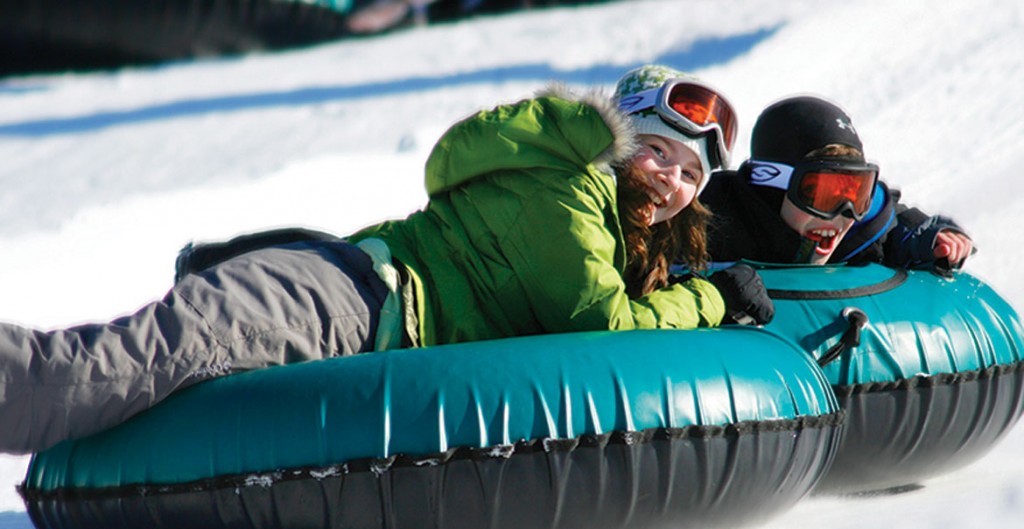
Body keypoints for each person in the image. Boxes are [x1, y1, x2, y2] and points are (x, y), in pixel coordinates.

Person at [0, 64, 773, 455]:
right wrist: (709, 302)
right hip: (341, 300)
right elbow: (599, 326)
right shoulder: (565, 186)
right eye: (660, 152)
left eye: (690, 174)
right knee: (106, 368)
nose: (671, 178)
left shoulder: (619, 230)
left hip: (361, 324)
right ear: (619, 140)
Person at [700, 95, 973, 270]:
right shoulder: (708, 227)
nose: (843, 214)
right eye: (824, 194)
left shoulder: (864, 226)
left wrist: (926, 239)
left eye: (856, 193)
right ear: (772, 185)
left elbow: (890, 223)